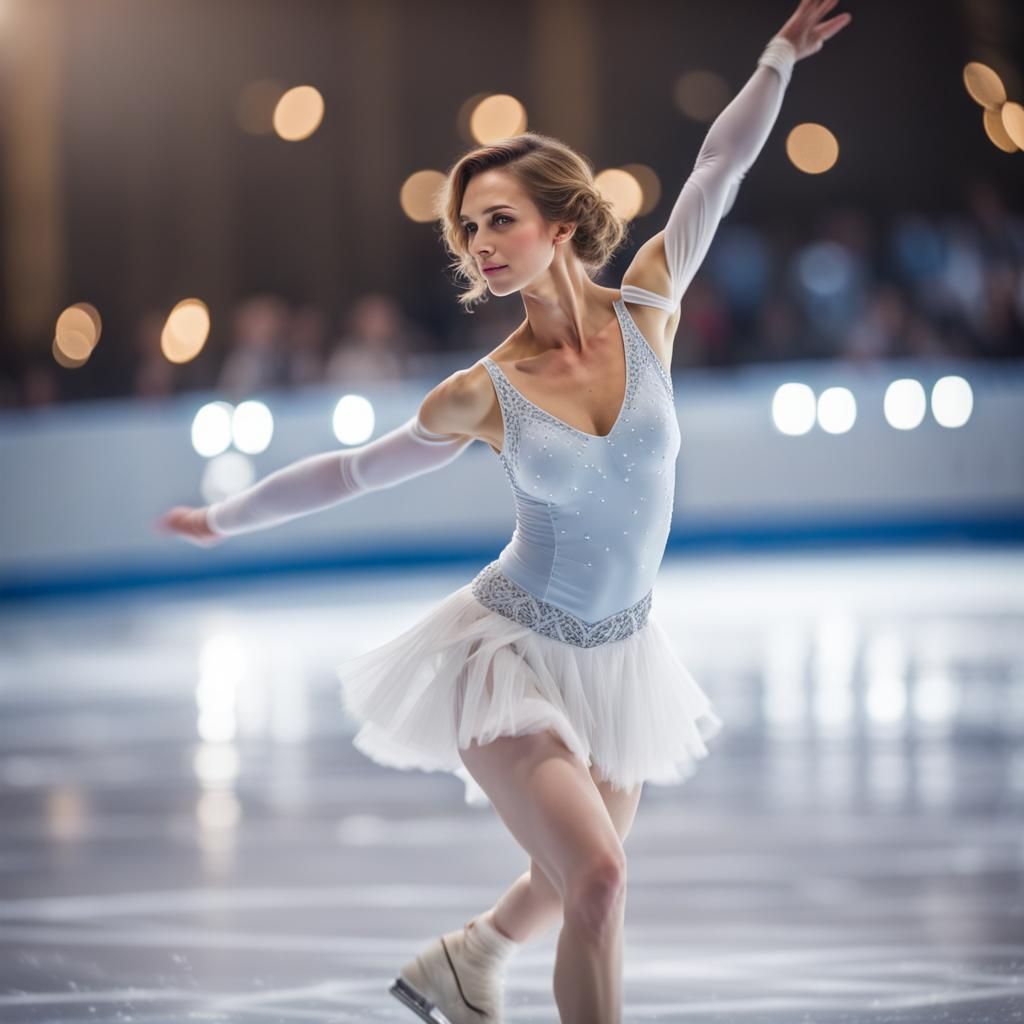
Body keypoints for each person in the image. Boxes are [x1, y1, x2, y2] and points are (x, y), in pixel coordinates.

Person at [155, 3, 851, 1019]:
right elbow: (350, 472)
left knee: (565, 878)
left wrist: (778, 60)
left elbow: (717, 170)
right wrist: (224, 520)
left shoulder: (650, 307)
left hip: (623, 657)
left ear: (560, 225)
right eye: (467, 228)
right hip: (506, 657)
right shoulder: (482, 390)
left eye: (498, 219)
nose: (477, 242)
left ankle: (465, 961)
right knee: (601, 880)